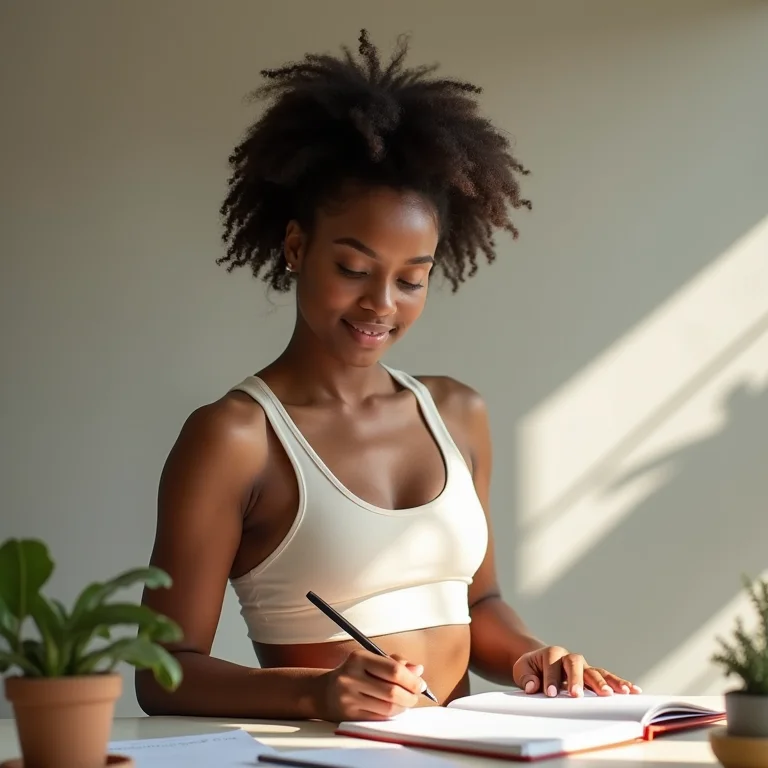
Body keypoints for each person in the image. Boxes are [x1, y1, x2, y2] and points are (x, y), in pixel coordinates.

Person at [136, 29, 640, 723]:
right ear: (294, 246)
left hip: (464, 751)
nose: (381, 304)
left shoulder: (457, 412)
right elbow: (163, 675)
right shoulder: (234, 438)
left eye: (412, 279)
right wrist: (315, 693)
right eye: (353, 269)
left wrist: (528, 655)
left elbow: (479, 603)